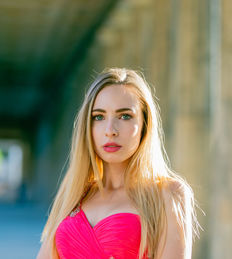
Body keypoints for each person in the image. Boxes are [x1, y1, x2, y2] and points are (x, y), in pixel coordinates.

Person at [36, 68, 199, 259]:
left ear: (145, 125)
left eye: (125, 116)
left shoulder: (168, 194)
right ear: (87, 127)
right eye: (99, 117)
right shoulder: (75, 192)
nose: (110, 130)